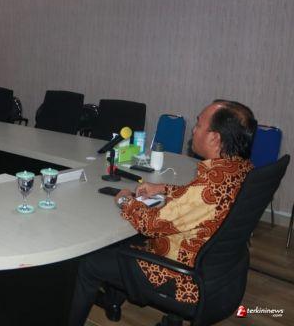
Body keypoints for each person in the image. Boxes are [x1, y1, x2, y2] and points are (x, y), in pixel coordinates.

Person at [68, 100, 257, 326]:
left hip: (181, 277)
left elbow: (150, 225)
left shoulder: (207, 188)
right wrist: (163, 188)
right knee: (124, 243)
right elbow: (195, 200)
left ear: (215, 138)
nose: (194, 130)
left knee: (90, 264)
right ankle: (114, 299)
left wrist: (126, 200)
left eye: (199, 125)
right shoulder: (239, 169)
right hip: (218, 272)